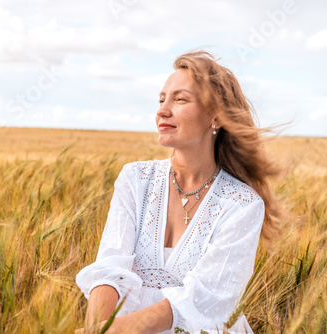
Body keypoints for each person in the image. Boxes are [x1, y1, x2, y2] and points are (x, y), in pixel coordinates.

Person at [75, 50, 283, 334]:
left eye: (180, 99)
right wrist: (96, 328)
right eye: (162, 99)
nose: (162, 110)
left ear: (216, 117)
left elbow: (204, 298)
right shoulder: (135, 179)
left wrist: (114, 331)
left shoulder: (242, 204)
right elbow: (111, 267)